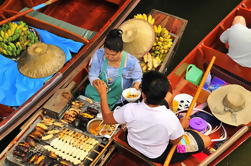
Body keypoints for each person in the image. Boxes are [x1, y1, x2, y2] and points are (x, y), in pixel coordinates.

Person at [93, 71, 211, 164]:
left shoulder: (129, 109)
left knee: (169, 101)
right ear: (163, 93)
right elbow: (176, 141)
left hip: (133, 142)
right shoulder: (171, 119)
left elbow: (107, 118)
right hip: (156, 155)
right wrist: (182, 126)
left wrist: (103, 94)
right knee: (206, 140)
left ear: (143, 93)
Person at [85, 29, 142, 109]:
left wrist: (135, 87)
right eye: (106, 53)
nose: (109, 57)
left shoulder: (132, 62)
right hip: (94, 95)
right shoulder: (98, 54)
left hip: (115, 100)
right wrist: (96, 81)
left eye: (113, 55)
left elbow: (137, 80)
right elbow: (93, 75)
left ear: (121, 51)